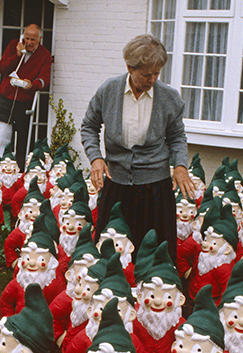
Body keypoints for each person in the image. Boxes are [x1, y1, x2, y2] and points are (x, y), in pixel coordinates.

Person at [81, 34, 195, 264]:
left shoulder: (169, 97)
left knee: (153, 254)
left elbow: (177, 136)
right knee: (111, 249)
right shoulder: (109, 90)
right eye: (146, 74)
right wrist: (96, 158)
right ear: (129, 68)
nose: (152, 79)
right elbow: (89, 126)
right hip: (117, 185)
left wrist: (180, 166)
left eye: (157, 73)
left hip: (155, 189)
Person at [0, 24, 52, 169]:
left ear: (40, 39)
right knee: (2, 137)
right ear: (22, 37)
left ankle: (20, 172)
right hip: (6, 97)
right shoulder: (15, 46)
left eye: (33, 39)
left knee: (23, 141)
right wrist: (17, 55)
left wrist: (33, 84)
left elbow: (45, 79)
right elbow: (2, 69)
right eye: (27, 38)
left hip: (25, 101)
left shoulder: (44, 55)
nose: (29, 42)